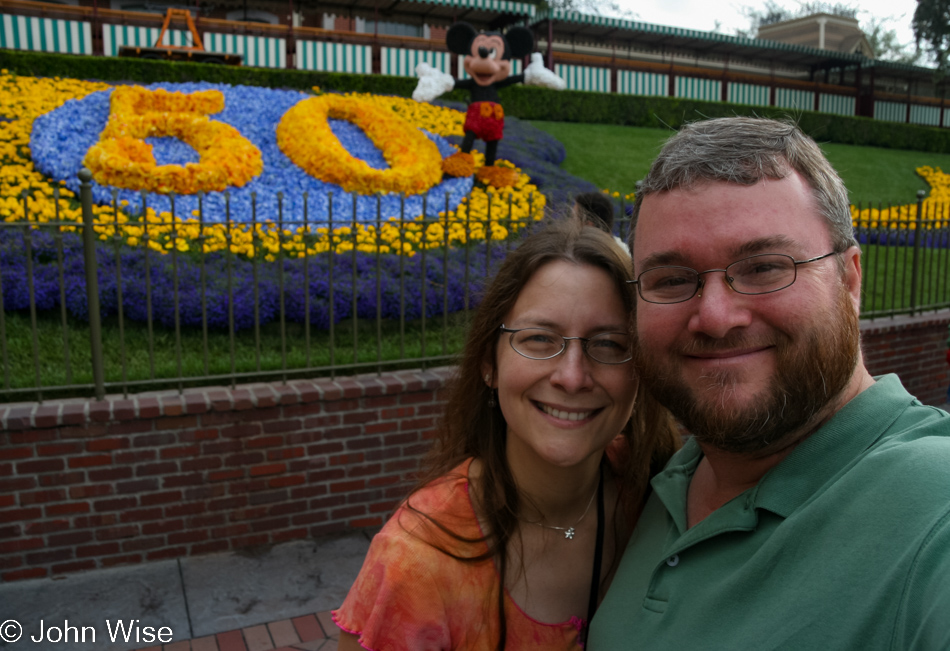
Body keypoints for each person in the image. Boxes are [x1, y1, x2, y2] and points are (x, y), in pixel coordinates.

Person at [588, 117, 950, 650]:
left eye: (763, 267)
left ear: (850, 280)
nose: (714, 317)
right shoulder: (654, 483)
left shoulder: (933, 514)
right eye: (672, 280)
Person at [333, 219, 680, 650]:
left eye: (609, 344)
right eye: (538, 339)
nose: (572, 377)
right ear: (489, 364)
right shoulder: (416, 563)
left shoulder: (659, 491)